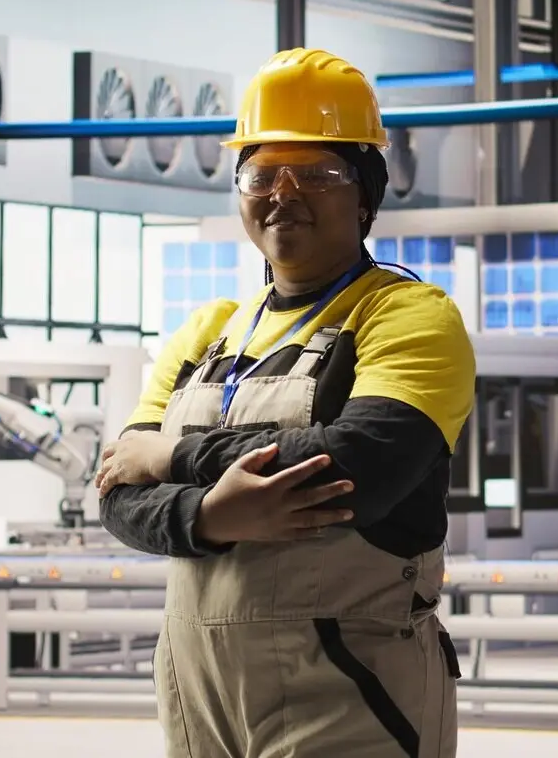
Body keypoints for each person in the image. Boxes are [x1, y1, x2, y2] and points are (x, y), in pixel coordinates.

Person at [95, 47, 476, 758]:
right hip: (201, 695)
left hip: (348, 691)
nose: (283, 193)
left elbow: (355, 466)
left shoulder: (408, 316)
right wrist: (209, 515)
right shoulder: (209, 331)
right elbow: (117, 490)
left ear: (365, 193)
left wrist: (173, 455)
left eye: (319, 173)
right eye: (262, 173)